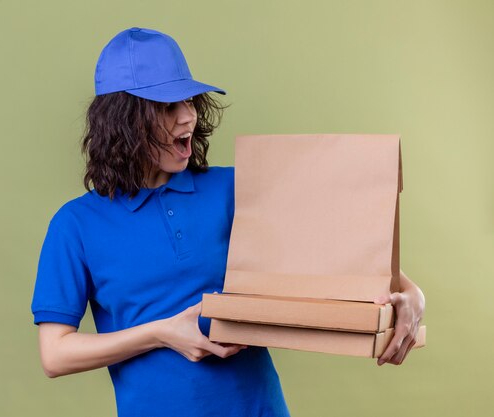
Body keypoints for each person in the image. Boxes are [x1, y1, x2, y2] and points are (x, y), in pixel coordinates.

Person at [30, 27, 425, 417]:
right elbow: (55, 353)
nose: (188, 117)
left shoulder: (234, 189)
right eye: (168, 108)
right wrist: (160, 333)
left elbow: (343, 255)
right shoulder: (76, 225)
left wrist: (411, 294)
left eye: (189, 100)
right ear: (123, 122)